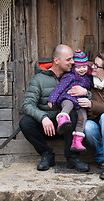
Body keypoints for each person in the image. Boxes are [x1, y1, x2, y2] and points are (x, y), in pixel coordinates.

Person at [19, 44, 90, 172]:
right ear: (56, 61)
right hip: (48, 126)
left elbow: (89, 93)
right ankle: (47, 154)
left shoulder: (76, 75)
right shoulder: (39, 80)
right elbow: (26, 104)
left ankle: (72, 157)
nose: (73, 62)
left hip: (68, 126)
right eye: (68, 59)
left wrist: (86, 92)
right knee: (25, 123)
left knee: (73, 113)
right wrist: (43, 117)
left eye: (72, 59)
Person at [70, 50, 104, 180]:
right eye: (93, 63)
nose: (92, 67)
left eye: (96, 65)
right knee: (87, 126)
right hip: (94, 121)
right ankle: (101, 157)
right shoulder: (88, 80)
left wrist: (90, 103)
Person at [47, 49, 92, 152]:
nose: (82, 69)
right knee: (68, 106)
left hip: (80, 102)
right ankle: (62, 120)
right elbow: (59, 88)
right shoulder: (69, 76)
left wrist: (86, 92)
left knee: (83, 117)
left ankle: (77, 141)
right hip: (67, 98)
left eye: (84, 66)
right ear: (74, 67)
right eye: (78, 67)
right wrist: (52, 99)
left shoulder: (88, 78)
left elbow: (90, 90)